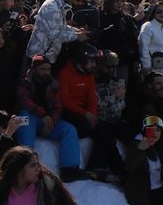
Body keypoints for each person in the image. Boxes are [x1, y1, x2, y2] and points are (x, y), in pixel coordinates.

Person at [15, 55, 90, 182]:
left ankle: (69, 169)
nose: (46, 72)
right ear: (34, 69)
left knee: (69, 129)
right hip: (31, 117)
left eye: (48, 69)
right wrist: (42, 114)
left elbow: (57, 106)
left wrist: (51, 121)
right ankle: (25, 162)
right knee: (24, 117)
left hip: (47, 120)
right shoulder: (24, 82)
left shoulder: (53, 84)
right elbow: (24, 101)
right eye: (42, 69)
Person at [87, 50, 134, 182]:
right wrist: (115, 98)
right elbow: (98, 107)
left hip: (115, 119)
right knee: (107, 137)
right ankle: (112, 169)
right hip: (99, 121)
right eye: (108, 67)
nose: (112, 70)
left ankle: (134, 168)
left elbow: (121, 106)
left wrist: (113, 102)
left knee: (132, 137)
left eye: (114, 67)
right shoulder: (93, 82)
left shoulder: (118, 82)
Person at [25, 0, 90, 64]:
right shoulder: (51, 8)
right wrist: (76, 36)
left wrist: (76, 31)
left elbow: (60, 26)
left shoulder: (58, 4)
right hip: (39, 56)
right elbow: (53, 35)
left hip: (46, 55)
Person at [57, 43, 99, 138]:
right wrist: (85, 113)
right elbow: (64, 101)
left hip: (83, 110)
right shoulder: (64, 74)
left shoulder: (89, 76)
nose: (94, 65)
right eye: (91, 61)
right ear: (82, 60)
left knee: (101, 128)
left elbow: (92, 97)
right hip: (68, 110)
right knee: (84, 128)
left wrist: (92, 114)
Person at [139, 0, 163, 79]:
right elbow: (143, 48)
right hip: (151, 66)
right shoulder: (148, 26)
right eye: (159, 11)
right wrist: (146, 65)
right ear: (154, 13)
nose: (162, 14)